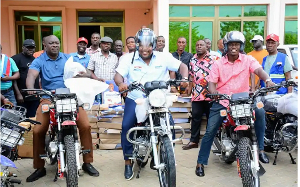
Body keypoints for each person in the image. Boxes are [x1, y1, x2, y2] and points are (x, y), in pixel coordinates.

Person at [195, 31, 274, 177]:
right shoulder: (218, 63)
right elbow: (212, 84)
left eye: (237, 44)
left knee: (261, 111)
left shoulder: (248, 60)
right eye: (231, 44)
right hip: (223, 101)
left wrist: (267, 80)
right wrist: (214, 94)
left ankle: (261, 150)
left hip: (244, 100)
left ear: (241, 46)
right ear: (226, 46)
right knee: (210, 129)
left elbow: (258, 70)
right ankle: (201, 162)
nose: (234, 47)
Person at [114, 28, 189, 180]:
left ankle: (166, 156)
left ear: (153, 44)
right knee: (127, 126)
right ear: (137, 44)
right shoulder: (128, 58)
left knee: (170, 126)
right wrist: (121, 83)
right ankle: (128, 162)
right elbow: (118, 76)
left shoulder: (164, 57)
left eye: (148, 45)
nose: (144, 48)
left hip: (158, 98)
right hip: (136, 97)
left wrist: (185, 79)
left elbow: (182, 67)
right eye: (141, 44)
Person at [25, 35, 99, 182]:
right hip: (48, 97)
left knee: (85, 125)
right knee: (39, 130)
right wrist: (30, 88)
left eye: (57, 43)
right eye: (51, 43)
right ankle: (39, 167)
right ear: (44, 45)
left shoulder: (68, 58)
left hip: (70, 96)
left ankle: (87, 162)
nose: (55, 45)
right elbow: (31, 75)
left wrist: (86, 75)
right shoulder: (39, 60)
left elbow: (83, 71)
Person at [182, 40, 213, 150]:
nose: (199, 47)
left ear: (206, 47)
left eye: (201, 45)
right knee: (195, 118)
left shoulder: (213, 59)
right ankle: (194, 141)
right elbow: (191, 76)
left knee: (212, 119)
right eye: (197, 45)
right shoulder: (192, 60)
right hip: (197, 94)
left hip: (211, 94)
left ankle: (212, 142)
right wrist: (189, 90)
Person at [11, 39, 40, 117]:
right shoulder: (15, 59)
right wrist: (18, 94)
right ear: (23, 47)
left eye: (32, 48)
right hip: (22, 96)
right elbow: (13, 79)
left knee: (33, 118)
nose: (31, 49)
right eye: (28, 47)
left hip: (34, 96)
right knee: (21, 118)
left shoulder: (35, 60)